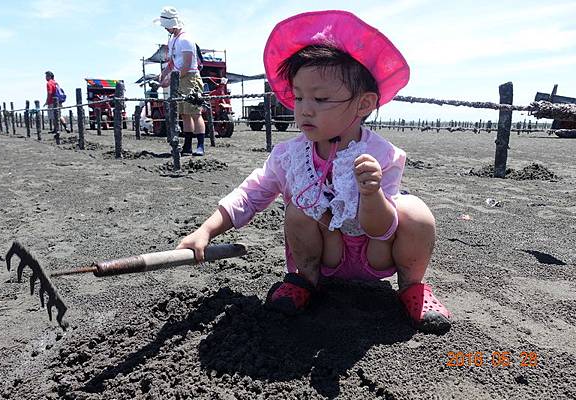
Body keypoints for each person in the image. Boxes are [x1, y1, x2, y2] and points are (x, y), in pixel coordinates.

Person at [176, 10, 451, 334]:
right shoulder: (290, 156)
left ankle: (412, 287)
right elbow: (252, 193)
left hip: (376, 255)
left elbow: (382, 227)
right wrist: (206, 230)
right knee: (299, 209)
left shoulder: (383, 156)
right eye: (298, 96)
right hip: (326, 257)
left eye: (320, 98)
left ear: (363, 105)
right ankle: (304, 281)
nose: (304, 108)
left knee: (415, 212)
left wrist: (371, 193)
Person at [154, 6, 206, 156]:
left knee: (195, 112)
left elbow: (188, 64)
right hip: (178, 79)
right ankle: (188, 145)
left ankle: (200, 145)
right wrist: (163, 74)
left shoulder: (186, 40)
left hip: (190, 78)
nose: (165, 29)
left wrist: (170, 80)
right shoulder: (172, 40)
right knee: (184, 114)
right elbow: (172, 62)